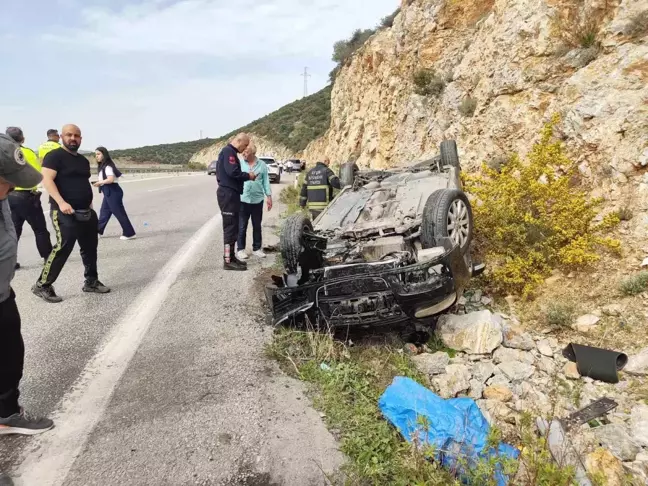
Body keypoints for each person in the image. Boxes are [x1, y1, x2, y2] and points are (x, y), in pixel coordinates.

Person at [0, 133, 54, 437]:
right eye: (8, 179)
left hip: (3, 293)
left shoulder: (3, 198)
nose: (13, 186)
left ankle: (7, 413)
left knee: (10, 352)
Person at [32, 124, 110, 303]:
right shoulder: (54, 156)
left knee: (90, 247)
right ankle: (42, 285)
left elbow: (82, 182)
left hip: (85, 211)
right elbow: (46, 179)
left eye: (76, 136)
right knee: (63, 247)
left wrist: (89, 204)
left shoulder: (83, 161)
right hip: (63, 211)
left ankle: (91, 281)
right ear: (61, 137)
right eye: (69, 135)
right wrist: (61, 202)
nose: (73, 138)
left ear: (81, 139)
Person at [5, 127, 52, 269]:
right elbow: (37, 173)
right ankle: (48, 259)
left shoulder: (3, 153)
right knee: (40, 229)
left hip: (9, 196)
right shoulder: (27, 153)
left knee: (14, 230)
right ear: (23, 139)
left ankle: (10, 262)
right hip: (27, 196)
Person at [216, 133, 255, 271]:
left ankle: (231, 258)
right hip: (228, 194)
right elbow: (233, 172)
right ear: (238, 141)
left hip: (231, 194)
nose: (245, 148)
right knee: (230, 228)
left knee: (234, 227)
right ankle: (228, 261)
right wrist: (248, 176)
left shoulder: (230, 152)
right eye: (244, 145)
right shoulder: (229, 152)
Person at [236, 143, 272, 261]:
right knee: (242, 226)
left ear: (252, 153)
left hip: (257, 200)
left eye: (246, 152)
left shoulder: (262, 165)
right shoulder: (240, 164)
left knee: (257, 226)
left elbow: (266, 182)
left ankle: (257, 248)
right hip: (243, 199)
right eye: (243, 152)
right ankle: (240, 249)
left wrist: (269, 197)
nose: (243, 154)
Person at [93, 147, 136, 240]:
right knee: (104, 212)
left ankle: (130, 233)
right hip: (108, 191)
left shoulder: (107, 166)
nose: (97, 156)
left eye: (99, 154)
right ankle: (98, 231)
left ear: (104, 154)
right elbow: (106, 180)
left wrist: (100, 182)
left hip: (113, 191)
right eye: (96, 154)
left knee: (119, 213)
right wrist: (100, 182)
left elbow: (110, 179)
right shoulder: (102, 166)